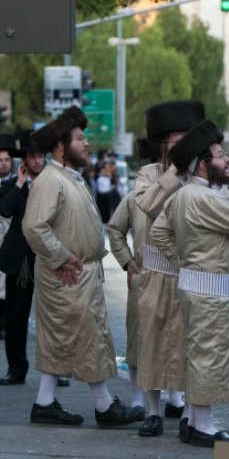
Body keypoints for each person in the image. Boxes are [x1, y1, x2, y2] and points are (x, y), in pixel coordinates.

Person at [150, 120, 229, 447]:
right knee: (209, 355)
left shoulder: (185, 194)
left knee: (198, 353)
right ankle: (203, 427)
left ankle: (194, 421)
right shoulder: (202, 198)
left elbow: (159, 233)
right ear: (204, 164)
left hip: (196, 288)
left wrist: (185, 262)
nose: (227, 161)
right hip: (209, 293)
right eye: (221, 156)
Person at [22, 106, 141, 427]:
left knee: (66, 339)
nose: (86, 144)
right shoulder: (51, 180)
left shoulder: (68, 178)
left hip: (79, 273)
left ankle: (44, 403)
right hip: (68, 275)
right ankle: (104, 406)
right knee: (87, 338)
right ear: (62, 145)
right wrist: (63, 256)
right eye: (79, 138)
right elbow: (34, 227)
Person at [133, 100, 205, 438]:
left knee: (190, 344)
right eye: (174, 143)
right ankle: (152, 411)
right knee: (153, 342)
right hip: (156, 273)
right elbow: (147, 205)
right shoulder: (149, 174)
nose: (181, 148)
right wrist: (174, 172)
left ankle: (191, 413)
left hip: (190, 273)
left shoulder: (200, 174)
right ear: (163, 145)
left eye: (185, 141)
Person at [105, 137, 164, 421]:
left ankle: (175, 398)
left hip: (175, 277)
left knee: (173, 340)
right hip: (142, 278)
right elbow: (114, 229)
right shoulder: (132, 199)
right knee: (138, 342)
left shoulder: (183, 193)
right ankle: (139, 401)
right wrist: (128, 261)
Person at [0, 132, 46, 386]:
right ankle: (16, 369)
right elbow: (5, 209)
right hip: (19, 258)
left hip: (47, 256)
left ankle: (55, 370)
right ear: (25, 161)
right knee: (16, 317)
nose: (37, 161)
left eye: (40, 156)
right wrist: (19, 182)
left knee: (51, 316)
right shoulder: (12, 185)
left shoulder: (54, 183)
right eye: (32, 157)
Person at [0, 134, 15, 341]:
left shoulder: (17, 185)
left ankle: (4, 323)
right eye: (0, 160)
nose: (3, 164)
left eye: (6, 160)